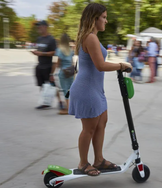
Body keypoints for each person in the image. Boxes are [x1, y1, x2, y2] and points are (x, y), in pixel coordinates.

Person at [68, 3, 132, 176]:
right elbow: (100, 65)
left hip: (95, 89)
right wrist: (121, 65)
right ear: (94, 18)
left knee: (101, 124)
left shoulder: (92, 37)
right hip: (86, 90)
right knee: (88, 129)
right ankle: (83, 163)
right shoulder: (90, 37)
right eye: (103, 17)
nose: (106, 20)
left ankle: (99, 160)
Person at [31, 20, 60, 109]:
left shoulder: (51, 39)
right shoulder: (39, 39)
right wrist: (36, 52)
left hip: (48, 66)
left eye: (40, 26)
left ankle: (61, 102)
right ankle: (45, 102)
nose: (38, 28)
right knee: (42, 85)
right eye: (37, 26)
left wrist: (42, 54)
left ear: (45, 27)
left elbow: (55, 52)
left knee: (52, 85)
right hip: (40, 65)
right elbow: (40, 49)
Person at [53, 34, 74, 115]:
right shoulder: (71, 49)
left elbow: (58, 63)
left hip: (63, 72)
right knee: (70, 89)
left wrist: (53, 72)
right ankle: (71, 106)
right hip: (70, 72)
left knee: (65, 90)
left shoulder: (59, 50)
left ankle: (68, 109)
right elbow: (72, 62)